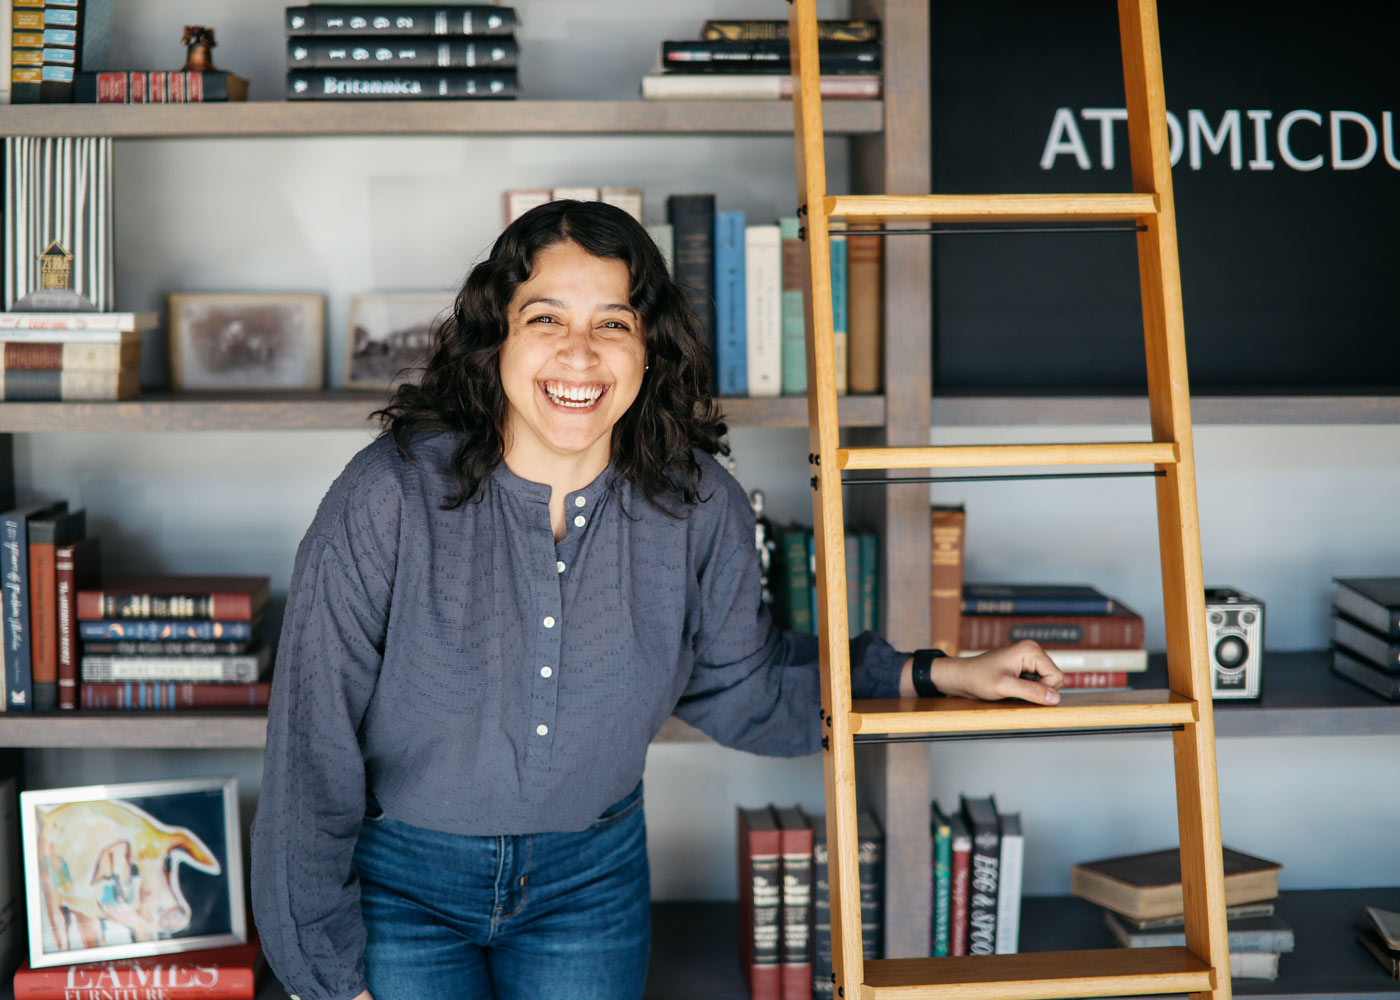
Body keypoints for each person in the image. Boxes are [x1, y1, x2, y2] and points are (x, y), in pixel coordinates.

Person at [250, 200, 1063, 1000]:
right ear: (496, 336)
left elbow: (747, 689)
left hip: (590, 887)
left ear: (649, 350)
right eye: (545, 319)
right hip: (398, 887)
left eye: (613, 323)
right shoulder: (386, 494)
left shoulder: (697, 502)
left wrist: (937, 675)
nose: (579, 354)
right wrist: (327, 979)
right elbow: (310, 751)